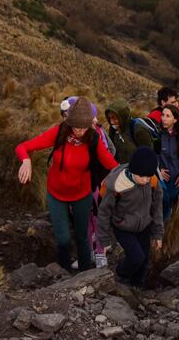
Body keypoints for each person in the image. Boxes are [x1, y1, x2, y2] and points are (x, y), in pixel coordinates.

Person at [16, 98, 118, 271]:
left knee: (81, 237)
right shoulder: (59, 132)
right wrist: (26, 160)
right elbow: (23, 147)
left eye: (83, 127)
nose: (79, 131)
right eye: (76, 126)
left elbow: (112, 164)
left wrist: (126, 178)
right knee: (63, 239)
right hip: (56, 194)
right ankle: (62, 270)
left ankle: (85, 272)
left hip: (82, 195)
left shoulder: (93, 138)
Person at [96, 147, 165, 287]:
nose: (146, 180)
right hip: (123, 226)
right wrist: (103, 240)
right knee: (136, 257)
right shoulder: (117, 185)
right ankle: (120, 274)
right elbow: (104, 212)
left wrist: (158, 234)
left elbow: (157, 207)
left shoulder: (152, 180)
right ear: (133, 170)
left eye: (148, 176)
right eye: (142, 176)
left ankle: (137, 286)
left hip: (144, 225)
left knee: (144, 259)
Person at [157, 104, 179, 221]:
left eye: (167, 116)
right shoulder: (158, 135)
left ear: (175, 119)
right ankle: (159, 230)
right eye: (162, 115)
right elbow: (155, 155)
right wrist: (159, 170)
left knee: (171, 202)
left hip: (175, 178)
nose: (163, 118)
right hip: (161, 177)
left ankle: (167, 228)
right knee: (162, 202)